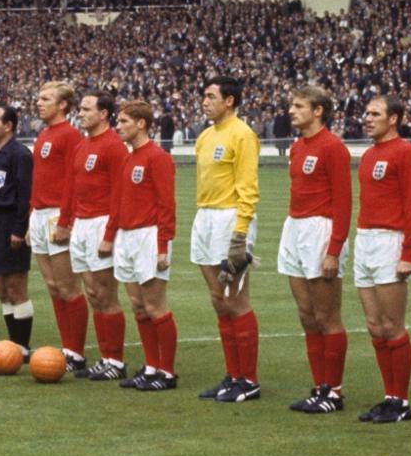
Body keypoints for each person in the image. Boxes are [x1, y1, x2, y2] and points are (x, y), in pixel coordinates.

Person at [278, 85, 353, 414]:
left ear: (318, 110)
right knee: (307, 315)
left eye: (298, 106)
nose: (291, 111)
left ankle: (333, 392)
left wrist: (333, 249)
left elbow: (344, 201)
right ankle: (319, 385)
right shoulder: (297, 147)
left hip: (320, 230)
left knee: (326, 315)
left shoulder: (333, 147)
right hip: (294, 227)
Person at [353, 94, 411, 424]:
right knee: (374, 325)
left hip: (390, 241)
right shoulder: (368, 155)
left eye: (375, 113)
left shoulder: (406, 154)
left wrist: (408, 252)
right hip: (365, 238)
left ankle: (401, 400)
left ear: (393, 118)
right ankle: (388, 396)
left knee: (392, 325)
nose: (367, 118)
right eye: (366, 113)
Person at [192, 75, 262, 403]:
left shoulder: (243, 134)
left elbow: (248, 186)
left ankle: (248, 379)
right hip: (205, 216)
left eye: (210, 96)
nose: (204, 101)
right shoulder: (205, 136)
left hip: (230, 217)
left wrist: (240, 233)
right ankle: (232, 375)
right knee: (218, 301)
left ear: (229, 101)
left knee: (235, 300)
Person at [103, 99, 180, 390]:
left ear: (141, 123)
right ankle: (151, 367)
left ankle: (168, 373)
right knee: (137, 305)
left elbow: (166, 205)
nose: (118, 126)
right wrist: (110, 235)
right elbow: (118, 202)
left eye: (123, 122)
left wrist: (163, 245)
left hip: (149, 236)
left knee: (154, 304)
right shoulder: (128, 157)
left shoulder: (157, 157)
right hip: (127, 236)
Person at [53, 92, 130, 379]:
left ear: (103, 114)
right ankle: (105, 357)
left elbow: (119, 195)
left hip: (101, 223)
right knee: (93, 295)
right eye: (81, 108)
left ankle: (116, 361)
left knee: (105, 293)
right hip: (81, 226)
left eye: (87, 109)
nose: (80, 113)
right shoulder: (82, 145)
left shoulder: (114, 147)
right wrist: (65, 221)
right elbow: (71, 188)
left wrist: (109, 234)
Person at [28, 82, 87, 368]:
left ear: (62, 104)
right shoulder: (44, 134)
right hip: (39, 215)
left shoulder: (70, 135)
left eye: (46, 99)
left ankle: (75, 351)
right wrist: (30, 218)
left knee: (68, 286)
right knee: (52, 286)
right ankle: (67, 347)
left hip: (56, 215)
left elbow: (73, 181)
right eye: (39, 98)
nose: (39, 103)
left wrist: (66, 220)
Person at [0, 103, 37, 356]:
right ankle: (14, 344)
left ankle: (22, 346)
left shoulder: (19, 154)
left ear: (8, 125)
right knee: (1, 287)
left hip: (8, 223)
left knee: (15, 287)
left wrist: (18, 229)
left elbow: (25, 195)